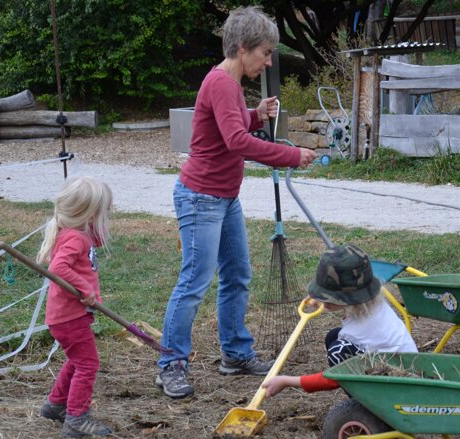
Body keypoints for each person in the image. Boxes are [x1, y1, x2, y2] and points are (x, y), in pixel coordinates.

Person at [155, 5, 317, 400]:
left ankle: (236, 354)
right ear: (243, 48)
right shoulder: (222, 82)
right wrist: (291, 155)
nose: (268, 61)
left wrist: (256, 115)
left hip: (224, 200)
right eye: (264, 53)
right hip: (200, 199)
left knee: (237, 275)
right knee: (195, 282)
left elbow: (230, 123)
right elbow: (236, 142)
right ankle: (170, 364)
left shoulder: (226, 82)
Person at [261, 244, 418, 397]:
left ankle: (369, 403)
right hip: (400, 362)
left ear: (347, 299)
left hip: (397, 384)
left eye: (328, 298)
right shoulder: (371, 303)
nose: (324, 301)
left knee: (338, 350)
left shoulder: (357, 332)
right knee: (333, 336)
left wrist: (288, 381)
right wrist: (324, 299)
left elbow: (332, 379)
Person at [36, 176, 114, 437]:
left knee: (77, 360)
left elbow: (90, 247)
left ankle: (56, 405)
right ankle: (77, 417)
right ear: (89, 214)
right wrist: (85, 288)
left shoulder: (76, 235)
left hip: (67, 317)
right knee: (88, 364)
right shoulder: (76, 239)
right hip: (69, 318)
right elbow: (58, 268)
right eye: (104, 212)